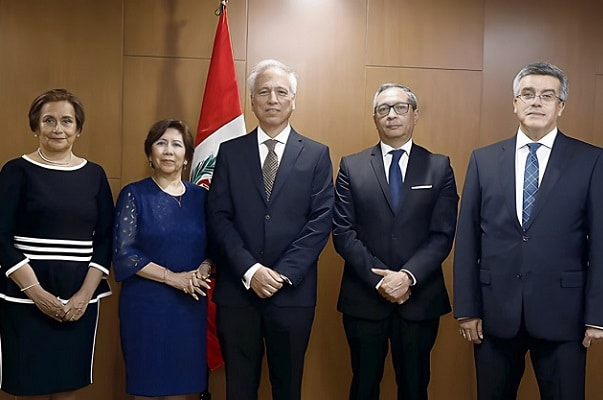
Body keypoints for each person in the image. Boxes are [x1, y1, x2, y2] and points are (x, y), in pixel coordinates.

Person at [453, 62, 603, 400]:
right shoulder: (483, 160)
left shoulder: (591, 161)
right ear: (515, 103)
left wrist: (597, 315)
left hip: (565, 314)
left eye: (547, 96)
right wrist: (467, 308)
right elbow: (467, 240)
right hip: (494, 314)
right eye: (528, 94)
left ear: (560, 106)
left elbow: (600, 242)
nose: (536, 101)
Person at [206, 59, 334, 400]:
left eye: (281, 92)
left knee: (288, 388)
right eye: (263, 92)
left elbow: (321, 220)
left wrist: (281, 274)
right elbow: (218, 217)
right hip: (238, 292)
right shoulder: (229, 152)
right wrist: (251, 271)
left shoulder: (317, 154)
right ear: (252, 101)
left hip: (292, 294)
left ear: (293, 100)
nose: (272, 99)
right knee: (239, 388)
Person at [332, 83, 459, 400]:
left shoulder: (439, 166)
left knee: (415, 388)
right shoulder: (351, 166)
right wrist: (381, 280)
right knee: (363, 386)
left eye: (400, 107)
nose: (392, 115)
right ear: (374, 117)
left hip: (419, 298)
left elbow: (442, 234)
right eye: (383, 109)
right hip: (364, 298)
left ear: (415, 115)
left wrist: (406, 277)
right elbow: (343, 232)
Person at [0, 88, 114, 399]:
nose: (57, 129)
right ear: (35, 126)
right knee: (30, 390)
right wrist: (36, 293)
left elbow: (105, 238)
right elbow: (1, 237)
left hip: (78, 302)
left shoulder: (94, 175)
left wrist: (84, 295)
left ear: (78, 129)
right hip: (25, 300)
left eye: (67, 121)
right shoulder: (16, 171)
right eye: (48, 120)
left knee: (68, 389)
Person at [112, 119, 212, 400]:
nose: (169, 150)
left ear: (187, 156)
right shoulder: (134, 194)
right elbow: (124, 253)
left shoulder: (202, 198)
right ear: (150, 154)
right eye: (161, 143)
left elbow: (215, 248)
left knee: (182, 387)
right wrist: (173, 278)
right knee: (148, 387)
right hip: (146, 306)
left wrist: (205, 268)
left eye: (177, 145)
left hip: (190, 305)